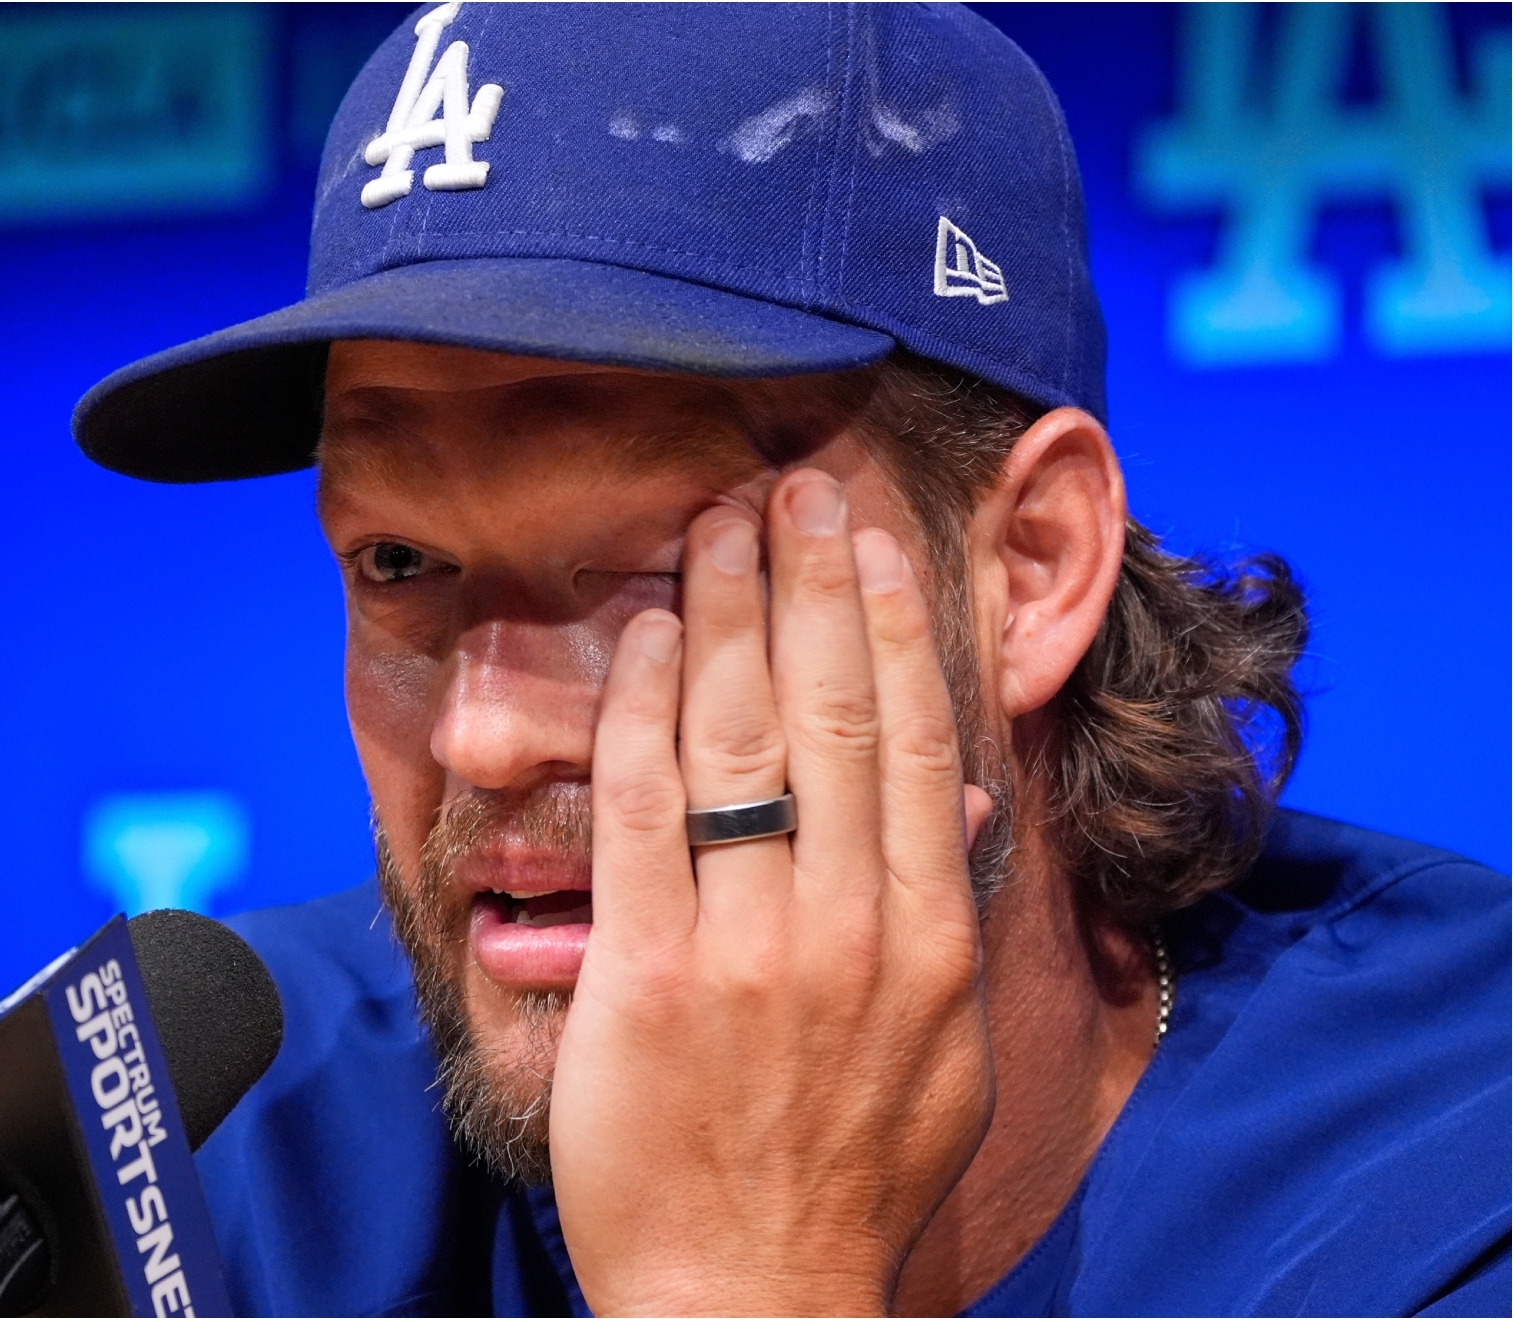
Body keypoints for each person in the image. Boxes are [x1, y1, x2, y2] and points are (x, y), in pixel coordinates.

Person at [73, 5, 1509, 1315]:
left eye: (650, 570)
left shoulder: (1455, 1177)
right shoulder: (213, 1138)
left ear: (1030, 572)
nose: (485, 738)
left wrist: (749, 1281)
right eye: (397, 563)